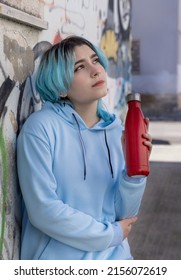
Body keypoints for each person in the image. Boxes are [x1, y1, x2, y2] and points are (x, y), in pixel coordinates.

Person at [17, 35, 152, 260]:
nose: (95, 70)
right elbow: (43, 210)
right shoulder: (40, 129)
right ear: (60, 87)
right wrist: (110, 235)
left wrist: (134, 172)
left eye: (95, 60)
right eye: (79, 67)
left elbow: (123, 215)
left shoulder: (116, 130)